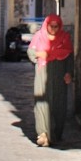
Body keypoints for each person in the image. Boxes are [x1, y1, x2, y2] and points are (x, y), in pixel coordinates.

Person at [27, 14, 74, 147]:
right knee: (41, 102)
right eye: (51, 26)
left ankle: (55, 134)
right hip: (42, 73)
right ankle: (42, 134)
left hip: (59, 75)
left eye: (56, 26)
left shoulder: (64, 38)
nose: (53, 29)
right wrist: (39, 54)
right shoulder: (39, 36)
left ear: (59, 26)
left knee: (58, 105)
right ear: (46, 25)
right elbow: (31, 52)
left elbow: (69, 56)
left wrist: (69, 73)